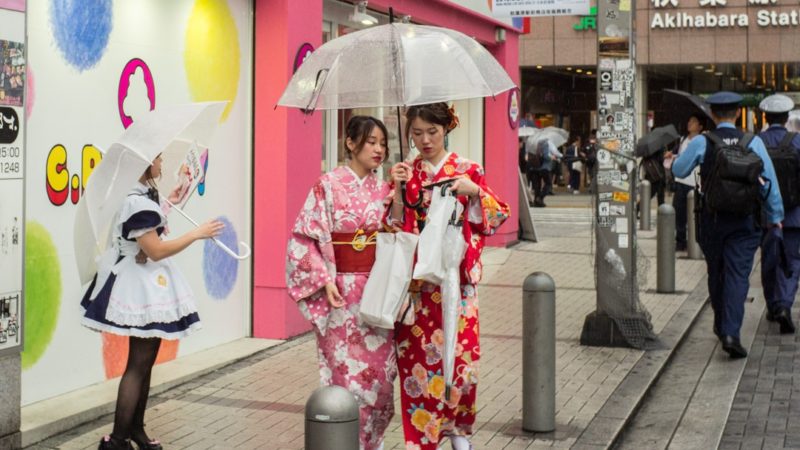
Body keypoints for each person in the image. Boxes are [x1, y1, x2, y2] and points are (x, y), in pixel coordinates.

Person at [81, 154, 225, 450]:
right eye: (159, 159)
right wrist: (197, 234)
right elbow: (156, 250)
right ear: (145, 164)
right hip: (140, 286)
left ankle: (135, 431)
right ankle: (118, 439)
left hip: (145, 282)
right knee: (138, 364)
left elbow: (147, 242)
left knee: (145, 363)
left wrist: (166, 207)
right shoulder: (136, 201)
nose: (162, 163)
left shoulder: (141, 197)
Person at [388, 103, 509, 450]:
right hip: (418, 289)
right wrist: (397, 190)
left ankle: (458, 431)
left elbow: (497, 214)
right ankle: (420, 440)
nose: (425, 140)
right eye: (417, 133)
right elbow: (395, 227)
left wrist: (474, 192)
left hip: (457, 284)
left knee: (462, 366)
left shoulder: (468, 169)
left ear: (446, 129)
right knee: (418, 368)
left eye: (432, 132)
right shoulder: (406, 173)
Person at [285, 116, 397, 450]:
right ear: (350, 143)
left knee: (382, 381)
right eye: (371, 141)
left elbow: (402, 232)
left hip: (379, 293)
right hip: (340, 295)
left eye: (382, 143)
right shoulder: (328, 185)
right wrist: (323, 278)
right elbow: (303, 239)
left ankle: (370, 442)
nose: (379, 149)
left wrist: (402, 194)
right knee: (344, 376)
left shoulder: (387, 188)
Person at [672, 91, 784, 359]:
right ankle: (731, 332)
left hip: (712, 220)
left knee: (716, 272)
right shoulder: (753, 142)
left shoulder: (703, 141)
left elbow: (678, 171)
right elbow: (769, 183)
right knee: (737, 275)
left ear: (712, 114)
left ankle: (722, 323)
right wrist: (775, 216)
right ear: (736, 114)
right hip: (745, 223)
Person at [758, 94, 800, 334]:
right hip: (794, 215)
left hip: (766, 217)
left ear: (765, 117)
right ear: (786, 119)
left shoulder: (756, 142)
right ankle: (784, 304)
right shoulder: (797, 142)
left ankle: (773, 306)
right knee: (792, 261)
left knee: (769, 261)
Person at [667, 114, 706, 251]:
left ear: (700, 126)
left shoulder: (702, 140)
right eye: (690, 120)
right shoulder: (683, 139)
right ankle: (681, 241)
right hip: (680, 181)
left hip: (694, 182)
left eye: (694, 121)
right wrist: (673, 155)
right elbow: (682, 156)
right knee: (679, 213)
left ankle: (696, 242)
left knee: (695, 215)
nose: (690, 123)